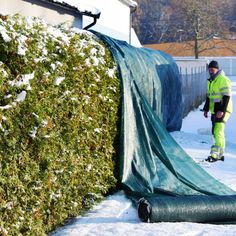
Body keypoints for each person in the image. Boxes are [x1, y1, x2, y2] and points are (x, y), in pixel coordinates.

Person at [203, 60, 233, 162]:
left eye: (212, 69)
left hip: (223, 109)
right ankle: (221, 153)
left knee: (218, 131)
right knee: (215, 132)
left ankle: (215, 155)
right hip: (214, 110)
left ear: (217, 69)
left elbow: (226, 96)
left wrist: (222, 111)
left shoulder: (222, 79)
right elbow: (209, 96)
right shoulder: (210, 81)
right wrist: (206, 109)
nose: (210, 71)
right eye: (209, 69)